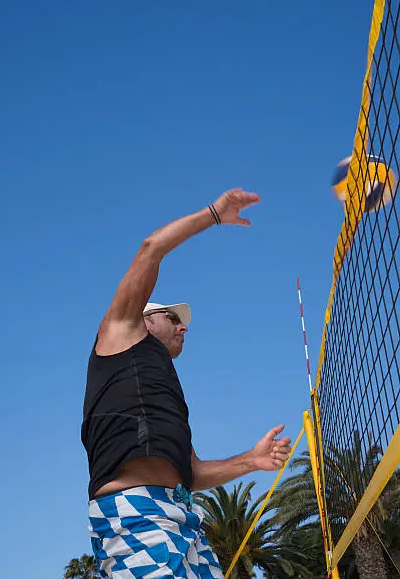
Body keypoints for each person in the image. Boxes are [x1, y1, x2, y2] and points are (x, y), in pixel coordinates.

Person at [82, 188, 292, 578]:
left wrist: (251, 460)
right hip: (134, 514)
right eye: (172, 317)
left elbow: (191, 473)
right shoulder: (119, 331)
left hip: (182, 516)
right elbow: (150, 249)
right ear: (145, 319)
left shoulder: (164, 389)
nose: (182, 327)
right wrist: (214, 213)